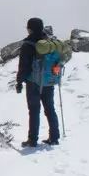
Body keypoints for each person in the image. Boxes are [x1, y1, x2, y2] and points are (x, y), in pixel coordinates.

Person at [15, 17, 60, 147]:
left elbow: (24, 66)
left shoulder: (28, 44)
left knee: (34, 110)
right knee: (50, 109)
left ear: (30, 28)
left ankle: (32, 140)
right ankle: (54, 137)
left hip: (33, 83)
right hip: (48, 81)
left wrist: (19, 82)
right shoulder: (49, 42)